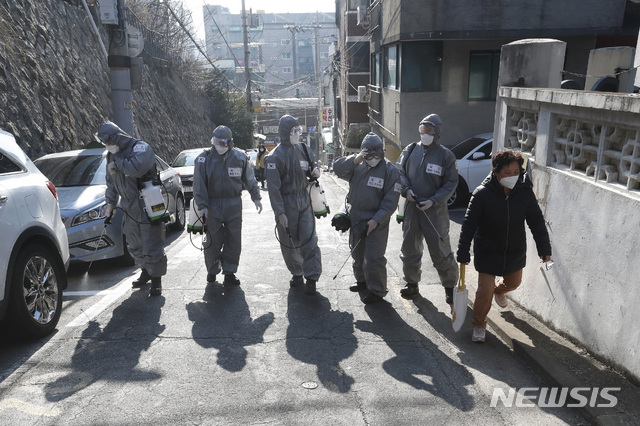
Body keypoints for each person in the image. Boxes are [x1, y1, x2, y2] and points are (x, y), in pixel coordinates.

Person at [457, 149, 551, 343]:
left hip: (514, 251)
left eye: (516, 172)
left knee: (513, 283)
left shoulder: (524, 192)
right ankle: (479, 325)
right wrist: (463, 251)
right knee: (484, 291)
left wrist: (545, 250)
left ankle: (499, 290)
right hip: (488, 251)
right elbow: (469, 225)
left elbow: (536, 221)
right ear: (496, 172)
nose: (513, 177)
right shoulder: (481, 194)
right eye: (508, 173)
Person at [97, 121, 166, 296]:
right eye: (105, 144)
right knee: (134, 243)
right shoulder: (111, 155)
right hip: (127, 204)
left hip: (147, 201)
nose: (108, 146)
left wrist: (118, 165)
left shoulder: (141, 148)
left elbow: (137, 168)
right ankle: (145, 271)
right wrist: (110, 202)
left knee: (151, 241)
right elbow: (111, 181)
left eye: (109, 142)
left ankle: (156, 279)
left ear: (117, 138)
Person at [396, 114, 459, 304]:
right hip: (412, 208)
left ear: (437, 132)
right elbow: (400, 172)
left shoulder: (446, 156)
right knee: (410, 248)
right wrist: (406, 190)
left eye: (429, 130)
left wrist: (434, 200)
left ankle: (449, 286)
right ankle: (412, 283)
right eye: (423, 129)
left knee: (441, 249)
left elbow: (450, 183)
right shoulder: (410, 150)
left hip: (435, 211)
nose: (425, 134)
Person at [333, 133, 401, 304]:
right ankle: (361, 281)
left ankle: (377, 289)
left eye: (376, 154)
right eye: (368, 155)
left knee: (373, 256)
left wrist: (376, 219)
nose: (372, 158)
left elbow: (390, 201)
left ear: (381, 152)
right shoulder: (358, 166)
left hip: (376, 219)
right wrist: (355, 159)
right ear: (362, 154)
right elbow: (337, 169)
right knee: (357, 252)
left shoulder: (389, 170)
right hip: (356, 215)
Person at [192, 125, 263, 286]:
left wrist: (256, 197)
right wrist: (202, 206)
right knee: (212, 240)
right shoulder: (204, 159)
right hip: (212, 204)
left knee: (233, 239)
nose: (219, 145)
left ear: (229, 143)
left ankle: (230, 271)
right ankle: (212, 269)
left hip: (233, 203)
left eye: (222, 142)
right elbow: (199, 184)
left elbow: (249, 179)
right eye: (216, 141)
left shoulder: (239, 157)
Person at [265, 115, 322, 295]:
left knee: (309, 239)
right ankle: (297, 273)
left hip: (304, 200)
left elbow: (311, 170)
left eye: (299, 130)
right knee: (290, 242)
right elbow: (274, 189)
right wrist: (280, 212)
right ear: (285, 132)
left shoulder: (304, 150)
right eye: (294, 130)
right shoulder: (273, 157)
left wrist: (315, 172)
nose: (297, 133)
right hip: (286, 202)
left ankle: (311, 278)